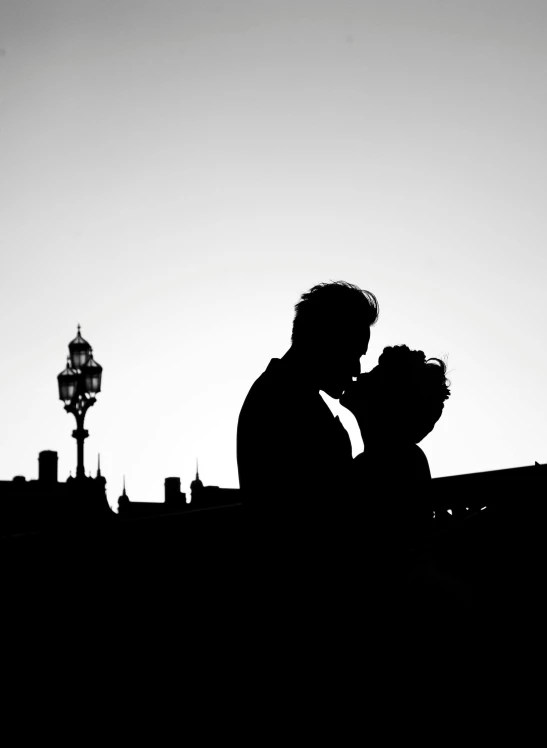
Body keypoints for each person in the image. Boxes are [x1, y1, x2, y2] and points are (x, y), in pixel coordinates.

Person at [236, 281, 379, 517]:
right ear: (326, 340)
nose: (357, 369)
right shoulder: (286, 403)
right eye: (353, 353)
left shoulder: (281, 393)